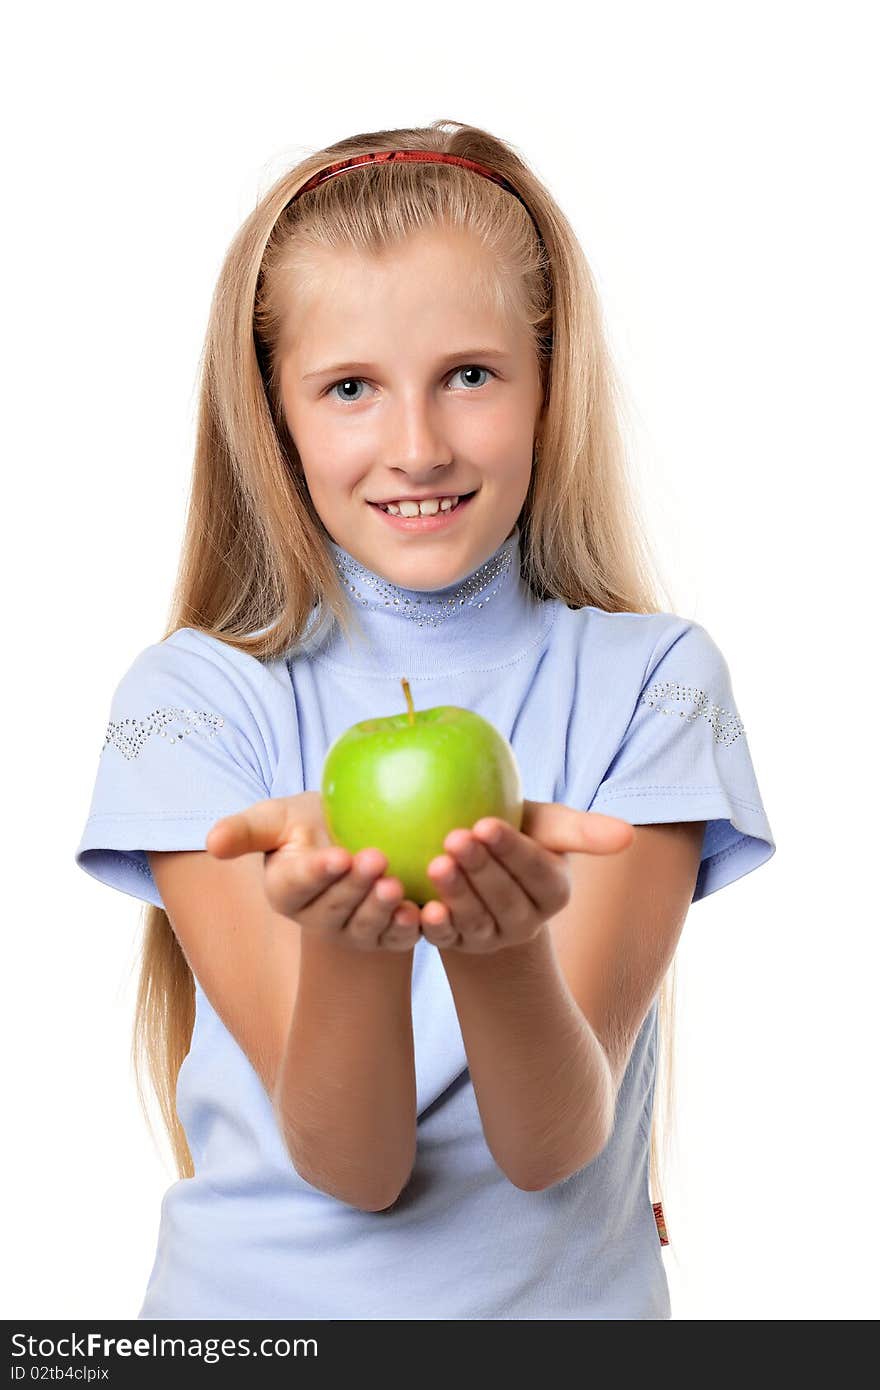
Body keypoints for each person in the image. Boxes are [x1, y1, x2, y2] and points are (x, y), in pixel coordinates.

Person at [74, 122, 776, 1321]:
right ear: (275, 416)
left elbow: (552, 1144)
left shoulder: (652, 678)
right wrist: (357, 946)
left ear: (550, 379)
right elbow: (356, 1165)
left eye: (469, 374)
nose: (417, 446)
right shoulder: (195, 701)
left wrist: (497, 951)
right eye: (350, 387)